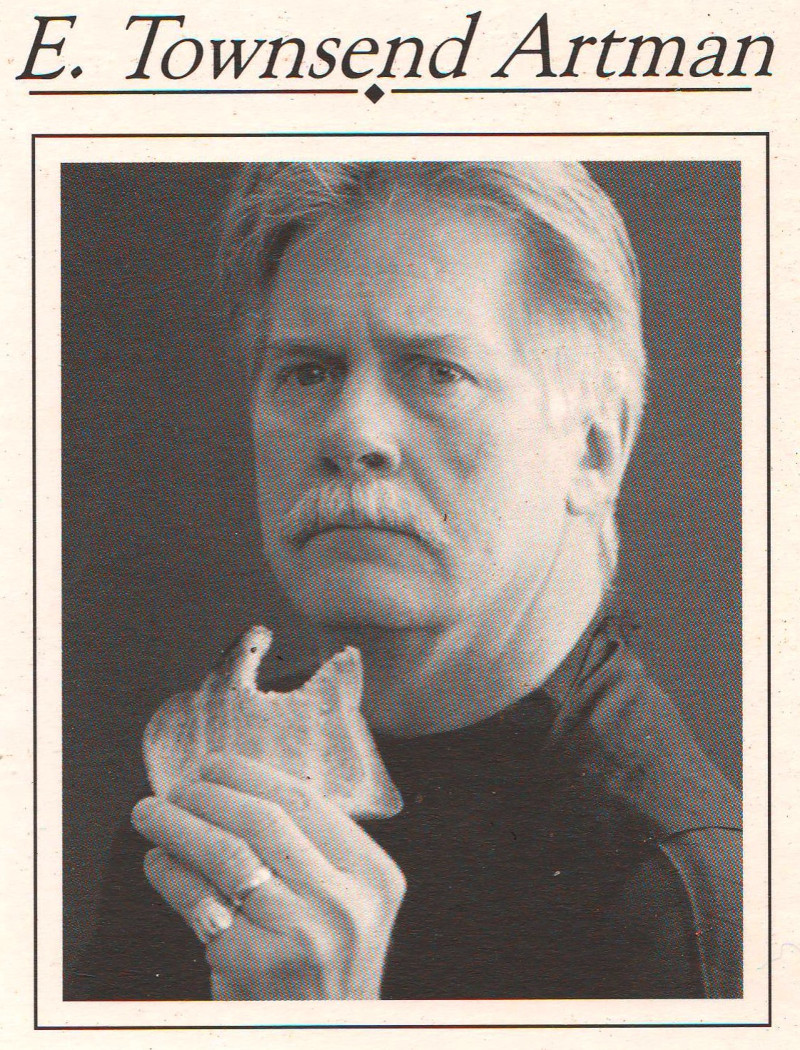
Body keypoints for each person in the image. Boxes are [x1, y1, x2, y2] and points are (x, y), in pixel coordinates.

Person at [73, 161, 742, 1001]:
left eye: (437, 371)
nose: (351, 433)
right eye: (307, 371)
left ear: (593, 451)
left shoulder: (684, 906)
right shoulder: (206, 790)